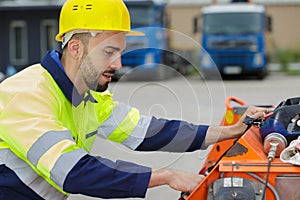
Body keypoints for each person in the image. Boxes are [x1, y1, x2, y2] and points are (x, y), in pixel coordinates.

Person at [0, 0, 267, 199]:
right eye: (108, 52)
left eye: (120, 52)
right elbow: (74, 172)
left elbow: (151, 132)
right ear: (76, 48)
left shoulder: (87, 98)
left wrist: (229, 131)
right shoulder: (27, 94)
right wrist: (165, 176)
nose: (118, 64)